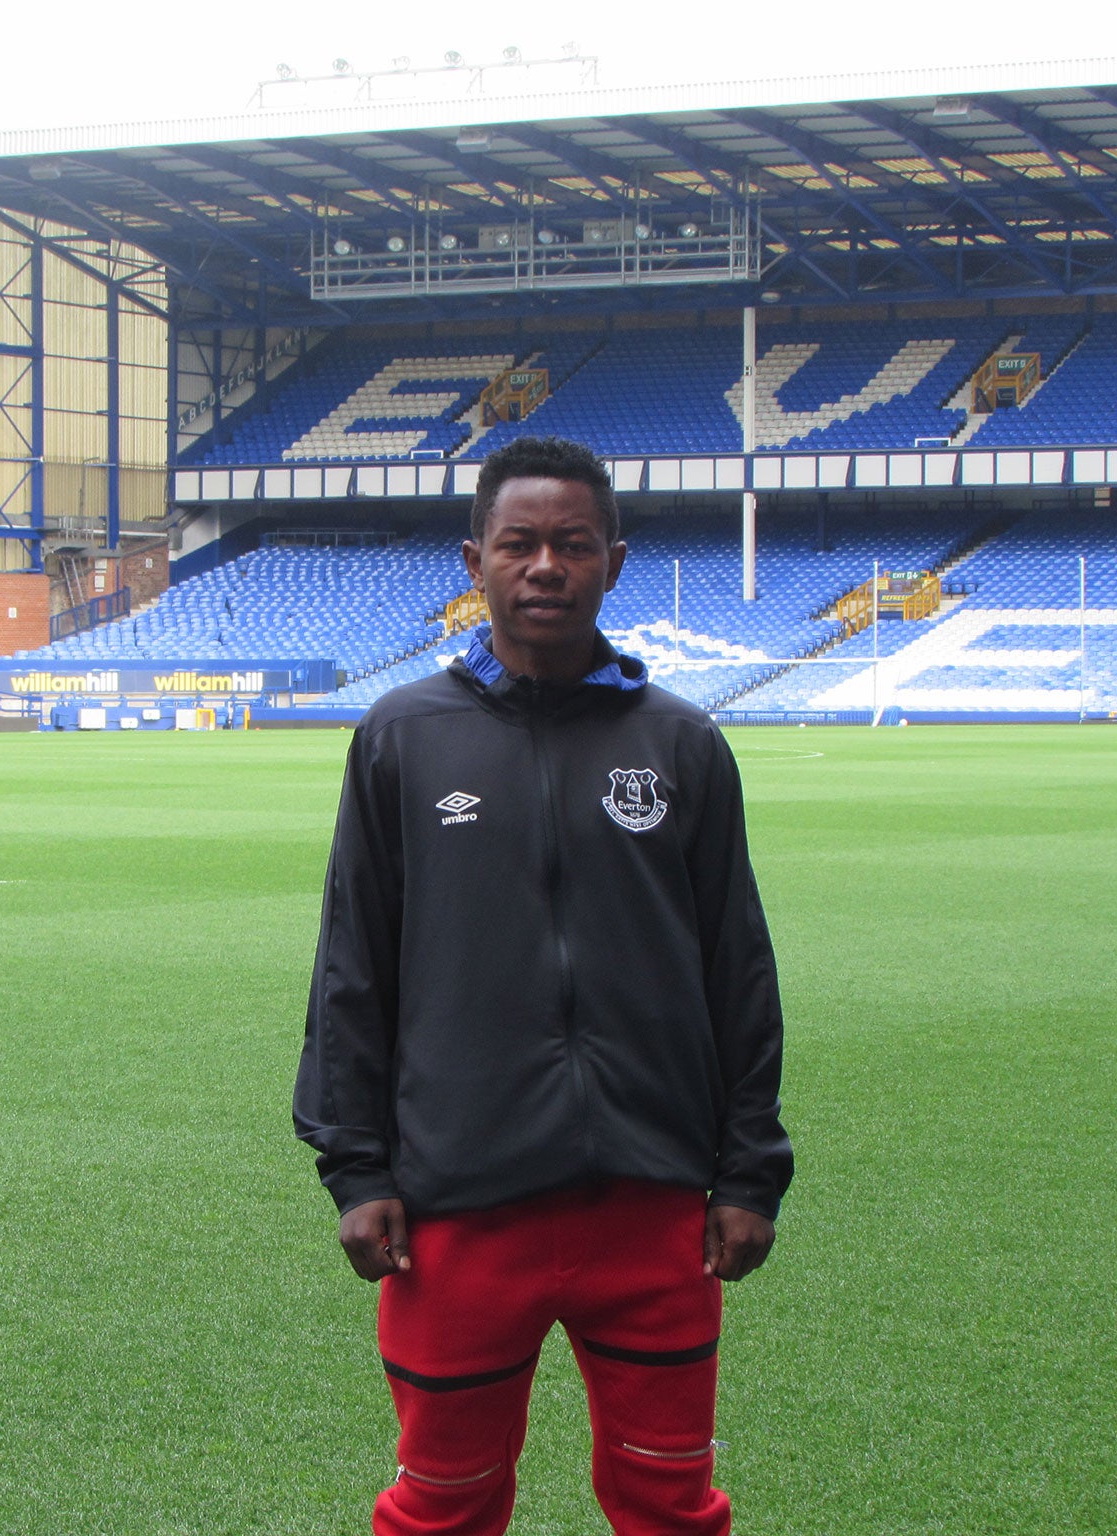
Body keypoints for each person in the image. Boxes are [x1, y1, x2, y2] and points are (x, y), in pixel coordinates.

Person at [294, 435, 793, 1536]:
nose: (544, 567)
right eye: (517, 543)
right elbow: (353, 968)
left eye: (571, 544)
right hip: (457, 1205)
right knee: (442, 1501)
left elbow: (735, 966)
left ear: (612, 560)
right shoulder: (401, 737)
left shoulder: (679, 743)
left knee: (669, 1500)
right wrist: (356, 1165)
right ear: (474, 560)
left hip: (653, 1204)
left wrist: (747, 1170)